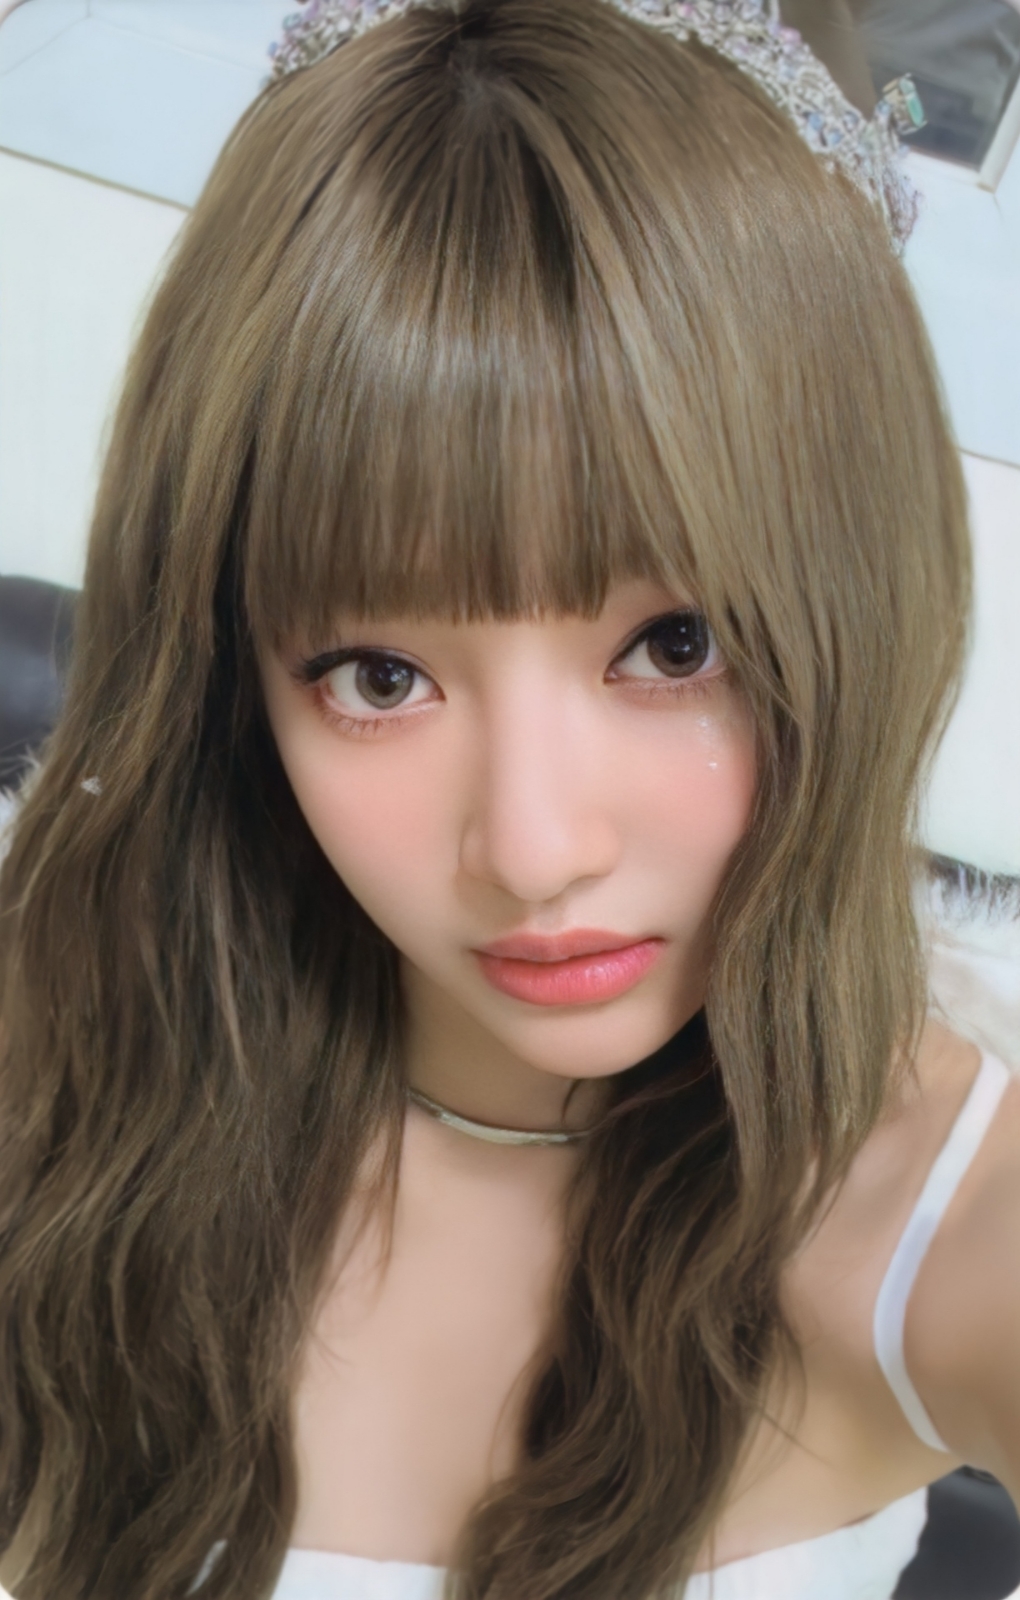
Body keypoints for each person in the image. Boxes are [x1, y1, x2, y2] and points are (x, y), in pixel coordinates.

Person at [0, 1, 1017, 1597]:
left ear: (860, 598)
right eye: (378, 677)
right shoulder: (52, 1052)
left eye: (672, 647)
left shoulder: (942, 1221)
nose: (535, 851)